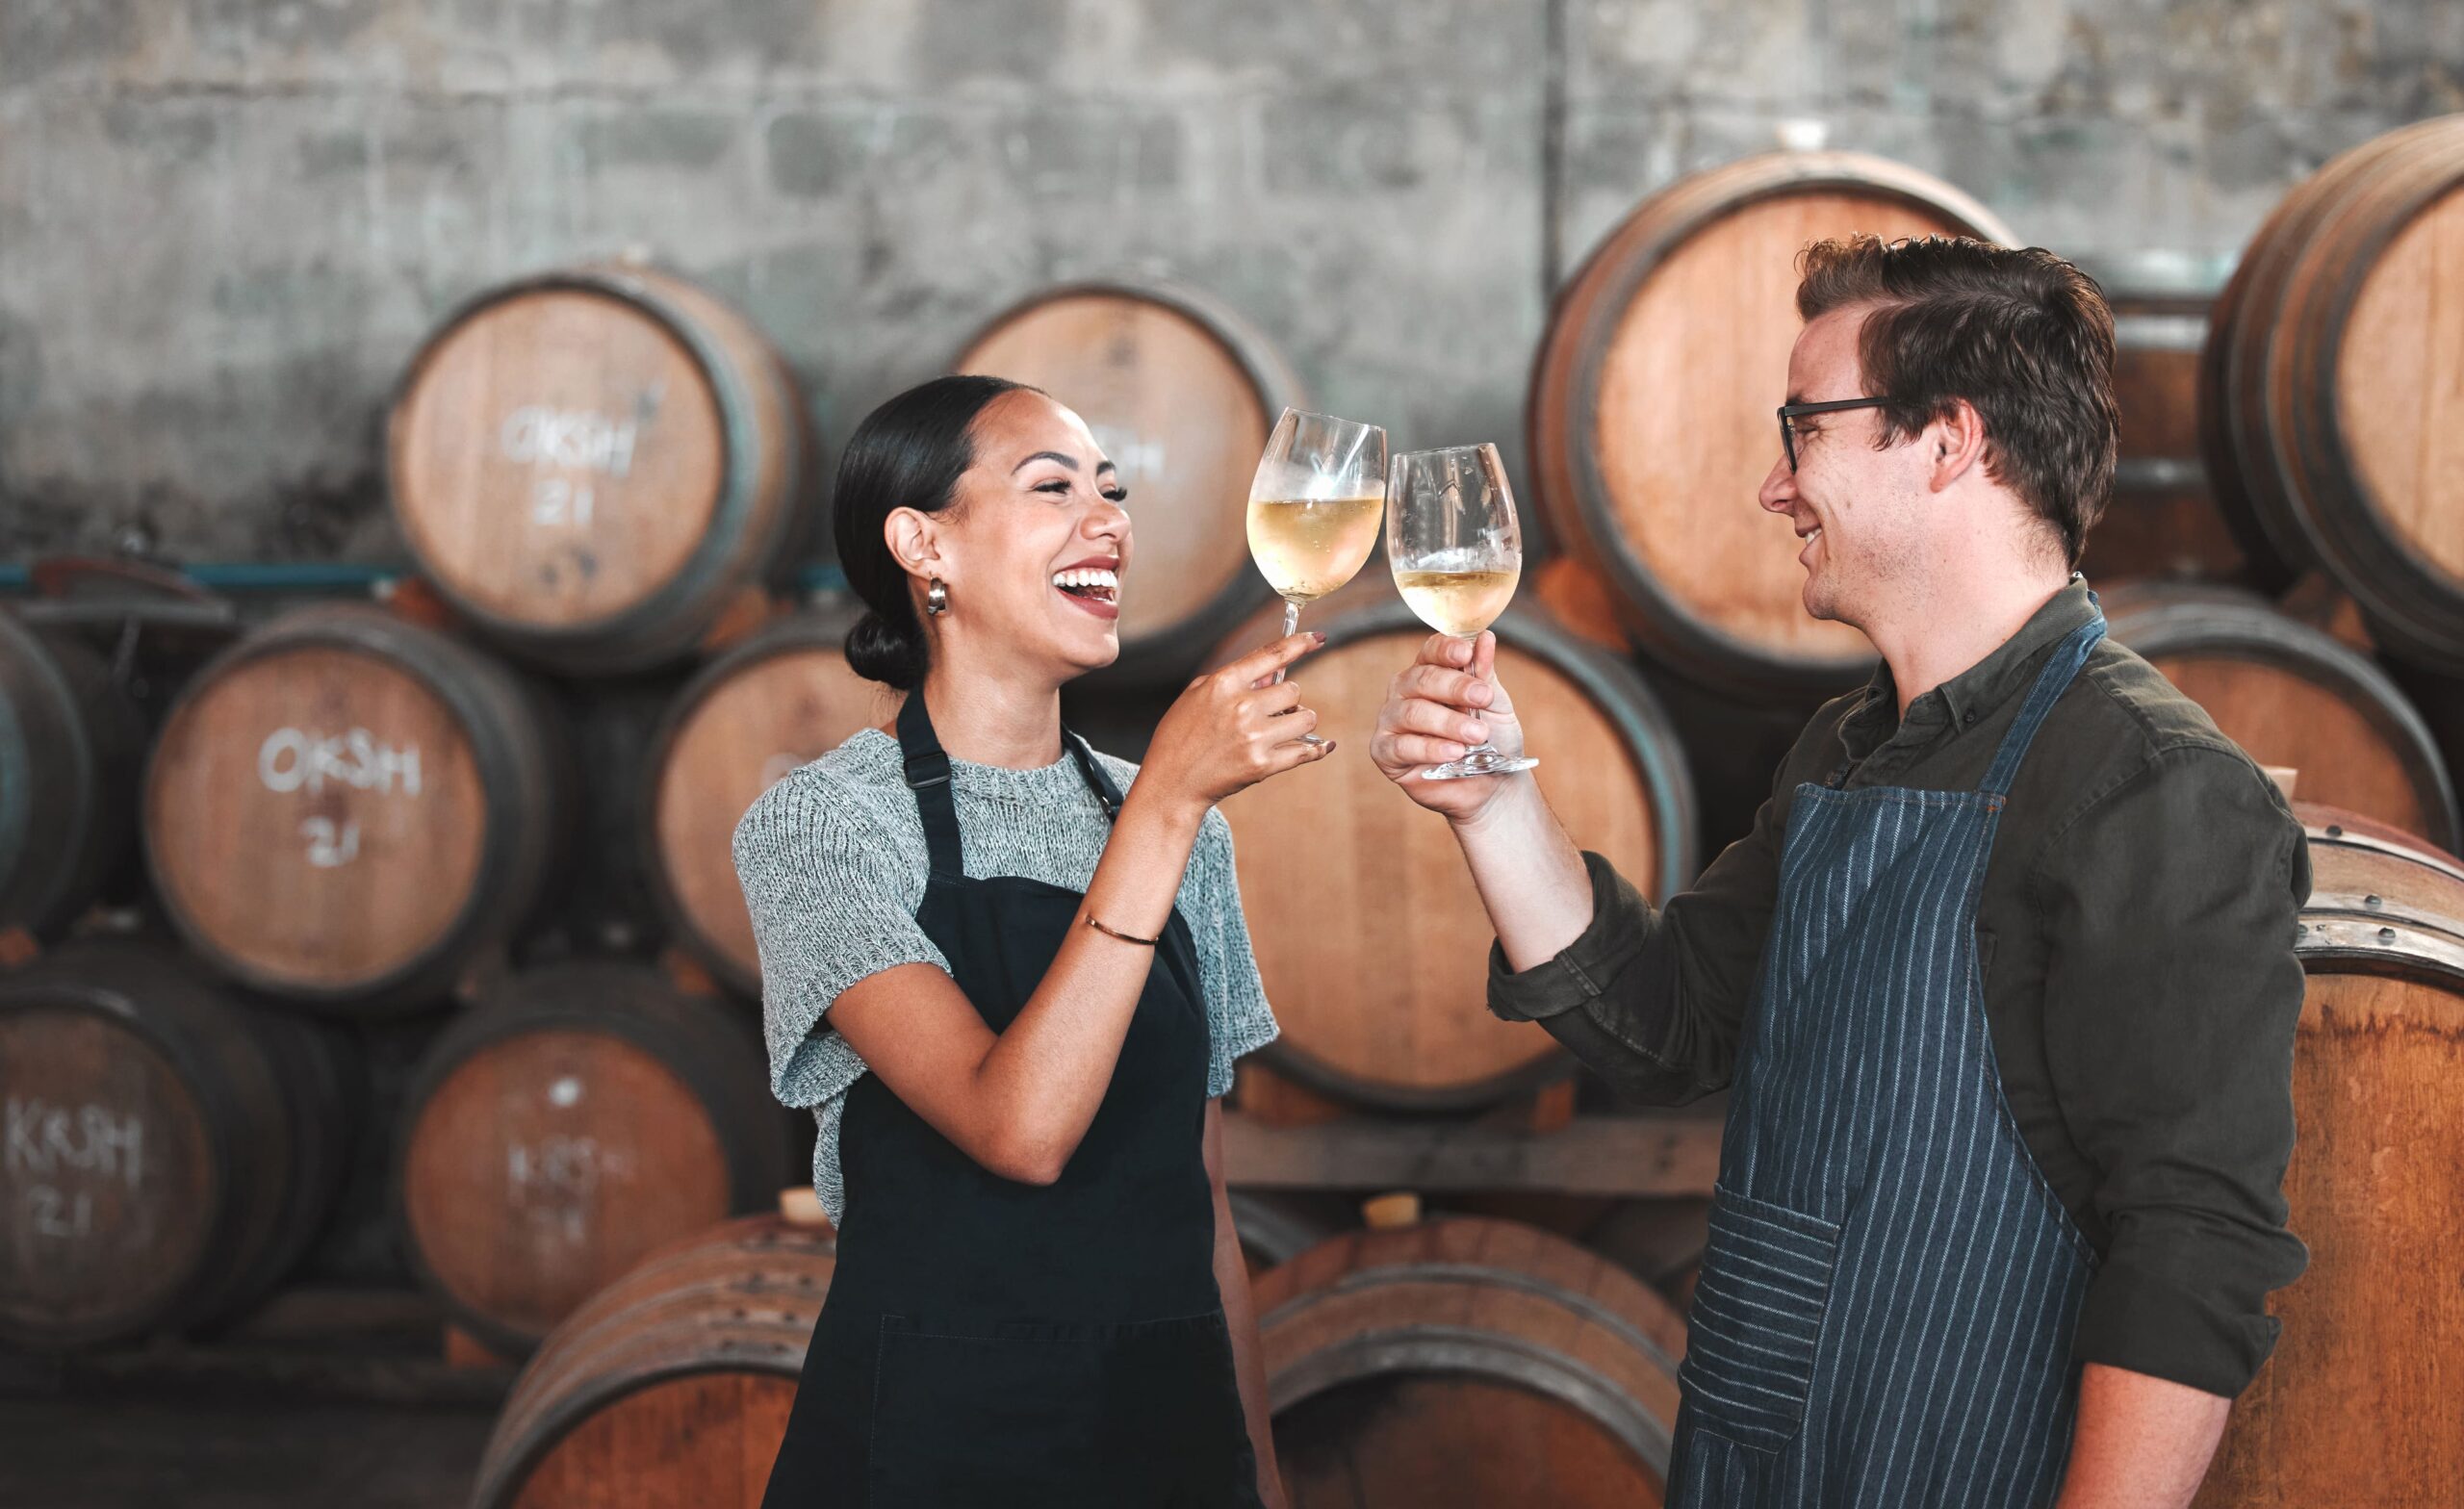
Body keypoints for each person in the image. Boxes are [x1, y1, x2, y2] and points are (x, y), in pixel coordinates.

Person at [1371, 236, 2309, 1508]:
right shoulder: (1846, 745)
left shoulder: (2152, 786)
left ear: (1946, 443)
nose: (1774, 485)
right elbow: (1669, 1027)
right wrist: (1494, 806)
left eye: (1803, 429)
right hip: (1766, 1454)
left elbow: (2194, 1248)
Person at [734, 374, 1324, 1507]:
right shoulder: (825, 824)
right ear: (923, 546)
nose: (1109, 520)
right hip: (936, 1443)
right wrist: (1163, 806)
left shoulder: (1176, 825)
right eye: (1052, 486)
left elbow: (1200, 1200)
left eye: (1111, 489)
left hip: (1170, 1440)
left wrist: (1262, 1475)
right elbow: (1017, 1127)